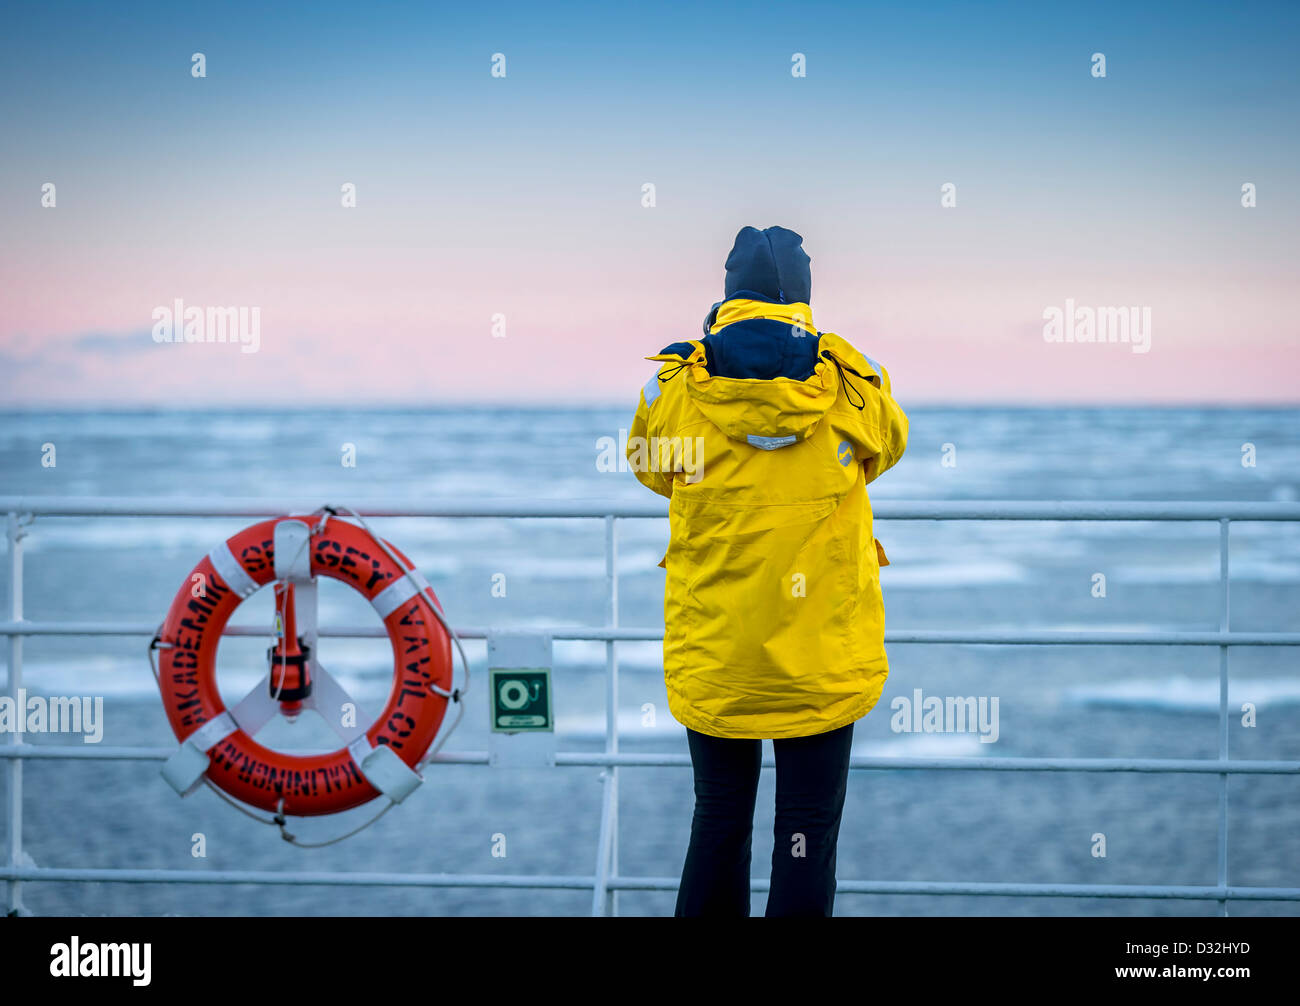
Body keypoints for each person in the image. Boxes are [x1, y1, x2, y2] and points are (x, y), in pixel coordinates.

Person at [626, 225, 909, 917]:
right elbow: (890, 446)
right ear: (805, 298)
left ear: (728, 295)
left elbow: (646, 464)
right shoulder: (847, 382)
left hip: (719, 652)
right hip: (821, 656)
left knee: (718, 823)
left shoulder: (678, 387)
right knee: (806, 832)